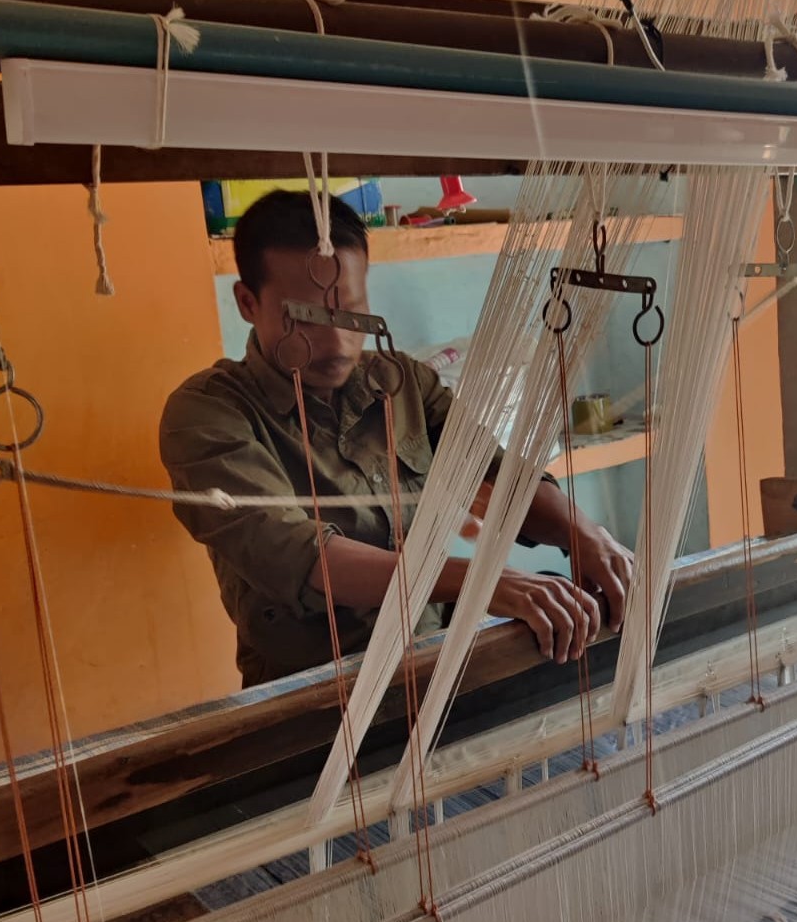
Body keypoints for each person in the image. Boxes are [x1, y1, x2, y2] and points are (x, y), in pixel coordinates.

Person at [160, 191, 632, 688]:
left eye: (353, 313)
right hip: (313, 695)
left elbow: (496, 474)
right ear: (247, 302)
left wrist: (584, 534)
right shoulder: (207, 415)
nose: (337, 343)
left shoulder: (401, 382)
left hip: (438, 665)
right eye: (306, 319)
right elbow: (299, 554)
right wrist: (482, 581)